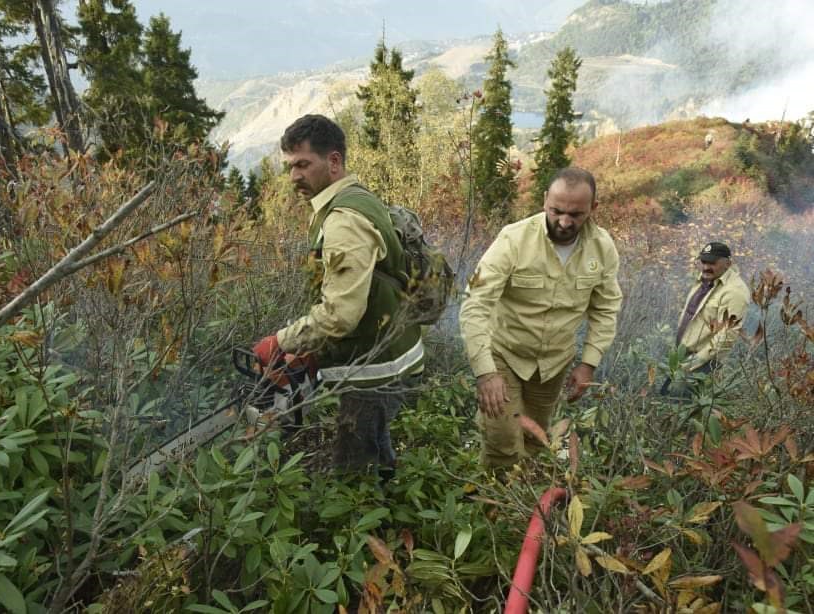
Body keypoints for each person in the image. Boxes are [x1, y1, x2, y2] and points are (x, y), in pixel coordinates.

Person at [252, 114, 423, 478]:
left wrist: (280, 342)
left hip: (375, 370)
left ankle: (371, 510)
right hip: (385, 351)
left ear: (333, 161)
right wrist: (313, 349)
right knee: (376, 450)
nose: (294, 176)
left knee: (354, 472)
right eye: (290, 166)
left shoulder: (344, 219)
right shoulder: (355, 198)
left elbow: (341, 314)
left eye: (302, 165)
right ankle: (386, 492)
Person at [459, 167, 622, 468]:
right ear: (545, 199)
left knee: (534, 438)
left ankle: (526, 494)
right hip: (504, 354)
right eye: (556, 211)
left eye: (576, 214)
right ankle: (492, 496)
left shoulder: (602, 247)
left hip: (553, 365)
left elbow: (606, 309)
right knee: (503, 442)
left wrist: (588, 364)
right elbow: (475, 303)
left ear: (593, 208)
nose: (564, 222)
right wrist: (485, 373)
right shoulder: (513, 239)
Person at [661, 241, 751, 395]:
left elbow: (727, 335)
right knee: (665, 397)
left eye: (712, 263)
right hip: (683, 357)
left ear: (728, 263)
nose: (706, 267)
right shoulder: (705, 280)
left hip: (704, 364)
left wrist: (693, 363)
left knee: (679, 402)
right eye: (703, 262)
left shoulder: (735, 291)